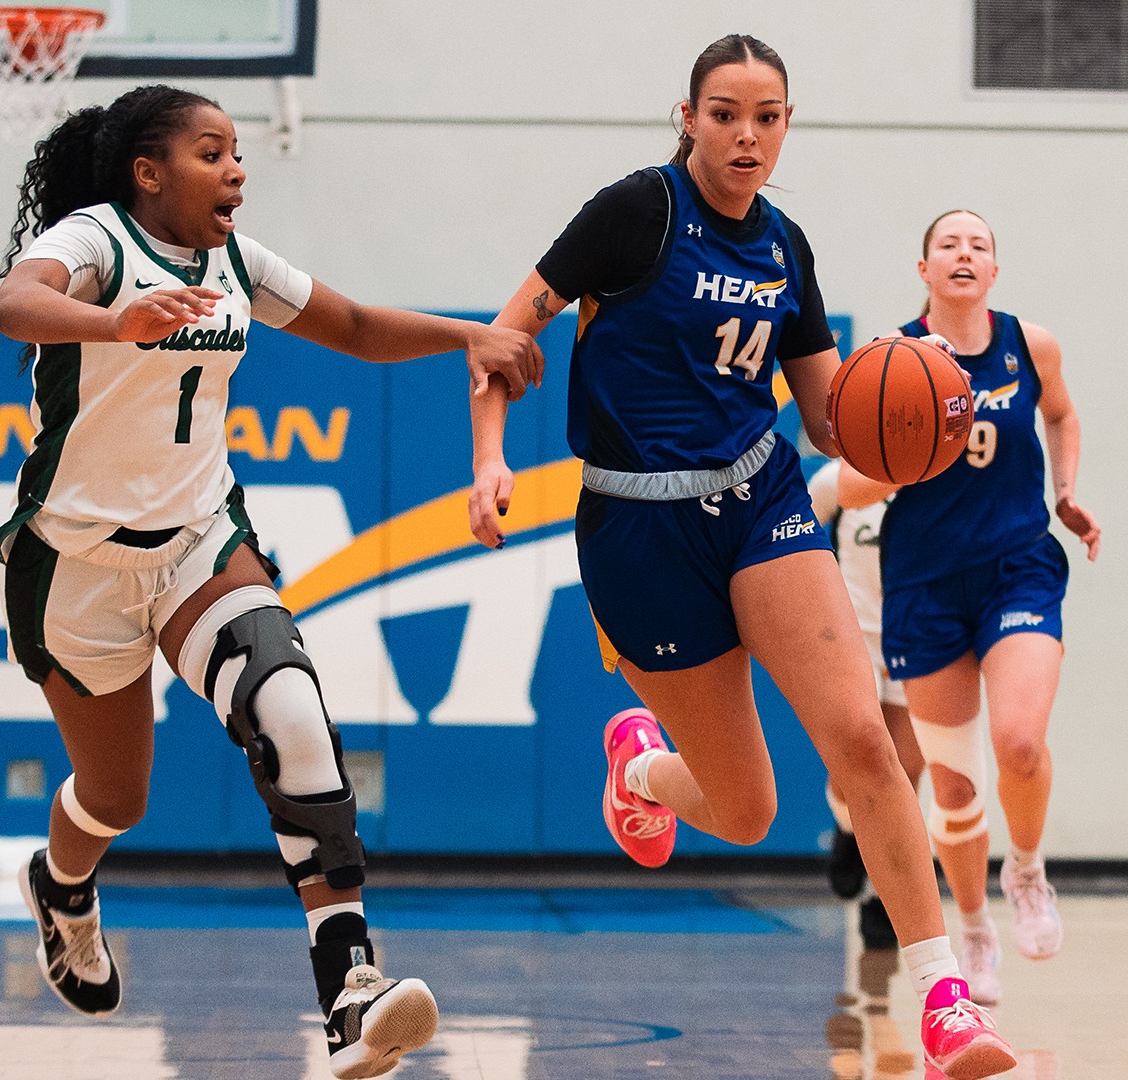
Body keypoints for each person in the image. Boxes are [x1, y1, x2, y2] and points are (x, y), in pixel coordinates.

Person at [464, 36, 1015, 1079]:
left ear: (786, 126)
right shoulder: (637, 212)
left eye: (766, 116)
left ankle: (944, 1000)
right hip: (638, 526)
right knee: (750, 810)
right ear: (689, 116)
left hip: (760, 502)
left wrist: (921, 417)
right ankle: (640, 765)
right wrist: (489, 460)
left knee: (861, 737)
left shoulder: (784, 246)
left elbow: (827, 418)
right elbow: (503, 336)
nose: (746, 134)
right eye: (725, 113)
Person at [0, 84, 543, 1079]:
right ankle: (62, 886)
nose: (237, 168)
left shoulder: (237, 260)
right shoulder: (96, 240)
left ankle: (351, 994)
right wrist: (118, 324)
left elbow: (358, 325)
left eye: (238, 150)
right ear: (149, 172)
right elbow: (15, 305)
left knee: (287, 700)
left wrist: (469, 336)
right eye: (212, 152)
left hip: (198, 535)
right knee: (117, 799)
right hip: (72, 561)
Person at [838, 209, 1100, 1006]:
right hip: (922, 581)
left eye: (977, 245)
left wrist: (1065, 491)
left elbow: (1060, 413)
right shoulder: (891, 358)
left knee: (1019, 743)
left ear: (994, 270)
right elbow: (851, 486)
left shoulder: (1032, 345)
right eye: (947, 244)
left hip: (1017, 565)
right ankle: (975, 929)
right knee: (951, 787)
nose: (963, 253)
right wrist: (899, 452)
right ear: (924, 269)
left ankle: (1026, 871)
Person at [806, 459, 922, 950]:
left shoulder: (939, 473)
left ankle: (881, 897)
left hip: (920, 639)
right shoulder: (836, 480)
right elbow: (796, 552)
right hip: (854, 639)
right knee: (850, 768)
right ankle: (848, 829)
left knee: (908, 780)